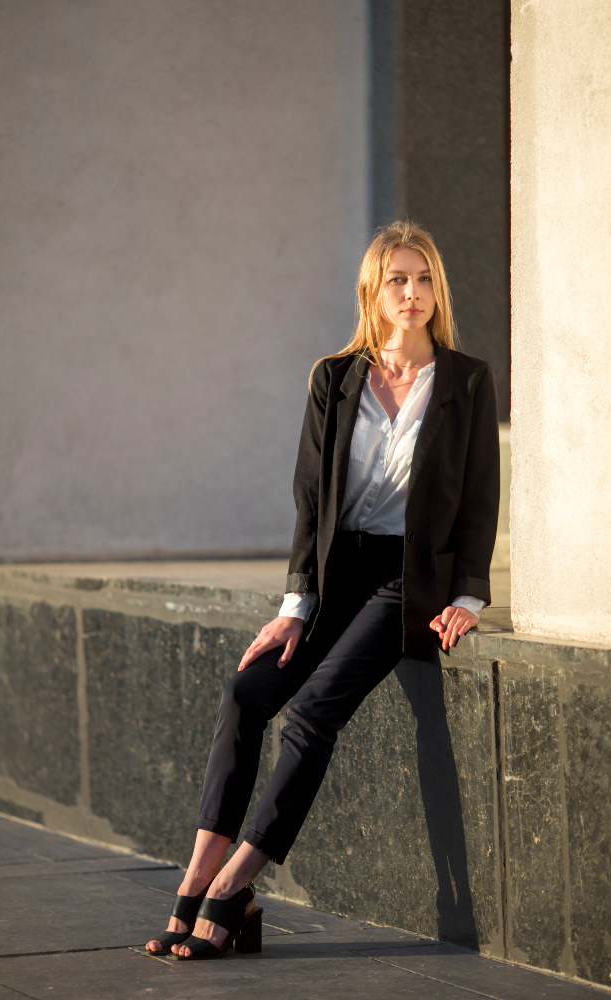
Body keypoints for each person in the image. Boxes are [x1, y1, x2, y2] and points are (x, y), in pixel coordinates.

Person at [145, 220, 500, 960]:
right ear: (372, 290)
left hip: (406, 582)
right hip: (336, 575)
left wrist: (467, 596)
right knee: (245, 695)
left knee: (311, 713)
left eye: (424, 278)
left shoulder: (464, 379)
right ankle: (198, 874)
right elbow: (310, 501)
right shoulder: (334, 378)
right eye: (398, 279)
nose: (413, 293)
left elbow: (476, 500)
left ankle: (235, 885)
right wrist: (292, 607)